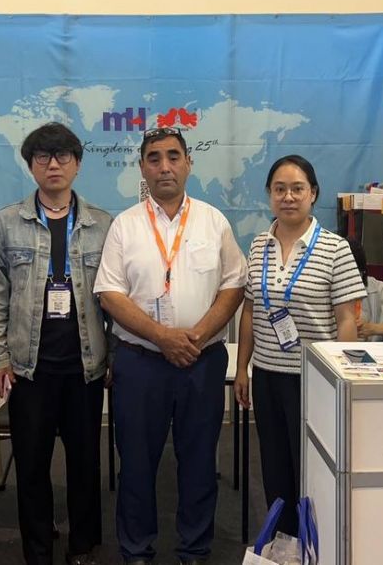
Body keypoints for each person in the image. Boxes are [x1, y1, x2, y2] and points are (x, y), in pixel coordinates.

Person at [94, 127, 246, 565]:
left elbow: (233, 285)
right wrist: (162, 337)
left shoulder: (214, 221)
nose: (165, 166)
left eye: (174, 157)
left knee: (199, 461)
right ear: (142, 167)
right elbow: (110, 294)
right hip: (141, 363)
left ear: (188, 164)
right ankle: (136, 550)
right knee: (136, 463)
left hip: (201, 360)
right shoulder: (124, 225)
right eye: (155, 158)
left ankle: (194, 549)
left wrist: (193, 338)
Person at [0, 123, 112, 565]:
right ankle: (37, 550)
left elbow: (114, 299)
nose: (53, 164)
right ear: (31, 165)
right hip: (28, 369)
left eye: (62, 156)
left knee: (84, 464)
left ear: (77, 164)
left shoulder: (102, 225)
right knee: (32, 466)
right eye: (42, 156)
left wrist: (114, 356)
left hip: (85, 367)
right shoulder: (6, 223)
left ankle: (83, 546)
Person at [234, 155, 365, 537]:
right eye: (279, 189)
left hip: (313, 379)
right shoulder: (259, 245)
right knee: (274, 468)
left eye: (297, 189)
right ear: (269, 194)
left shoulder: (335, 249)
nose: (288, 197)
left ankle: (316, 546)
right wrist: (242, 368)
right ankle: (285, 544)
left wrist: (341, 378)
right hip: (267, 376)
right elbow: (250, 310)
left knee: (310, 468)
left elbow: (347, 320)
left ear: (313, 193)